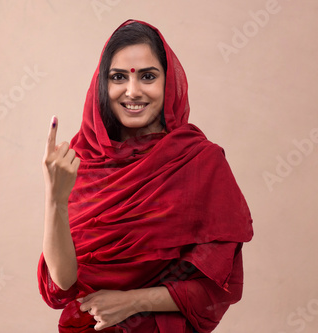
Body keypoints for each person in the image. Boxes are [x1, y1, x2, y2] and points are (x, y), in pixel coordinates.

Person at [38, 19, 253, 333]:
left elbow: (217, 289)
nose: (133, 91)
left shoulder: (200, 162)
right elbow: (62, 285)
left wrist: (133, 301)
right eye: (119, 77)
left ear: (169, 83)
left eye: (148, 76)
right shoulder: (79, 162)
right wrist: (54, 198)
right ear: (103, 84)